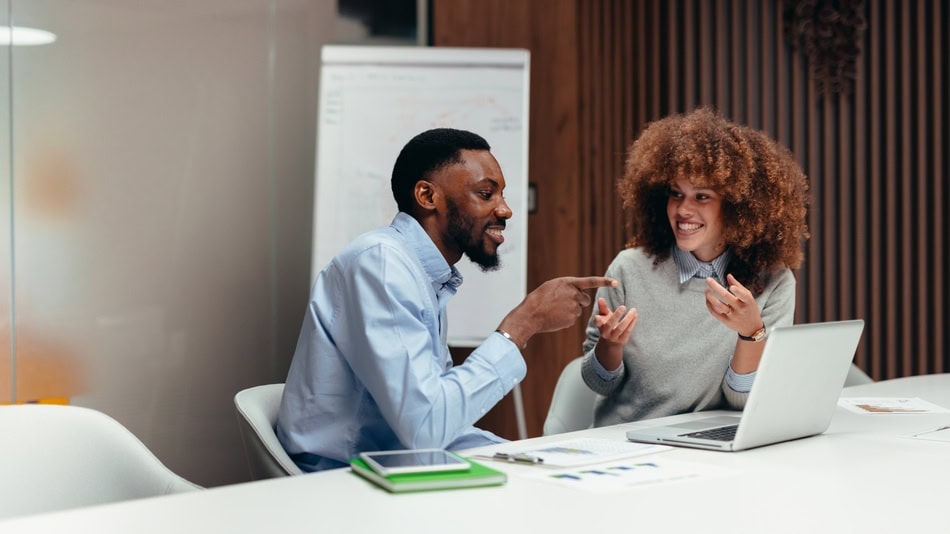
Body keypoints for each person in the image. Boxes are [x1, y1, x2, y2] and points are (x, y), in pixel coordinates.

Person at [277, 127, 617, 471]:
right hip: (344, 480)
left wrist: (534, 456)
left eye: (501, 195)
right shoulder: (381, 264)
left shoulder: (422, 274)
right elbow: (426, 426)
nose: (505, 210)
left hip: (397, 465)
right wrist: (523, 324)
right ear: (427, 196)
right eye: (486, 194)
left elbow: (437, 426)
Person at [580, 107, 809, 427]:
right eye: (676, 194)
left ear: (737, 207)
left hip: (710, 442)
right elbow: (598, 383)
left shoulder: (774, 282)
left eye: (701, 196)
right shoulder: (629, 269)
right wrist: (610, 346)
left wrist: (751, 333)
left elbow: (743, 401)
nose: (683, 209)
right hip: (629, 441)